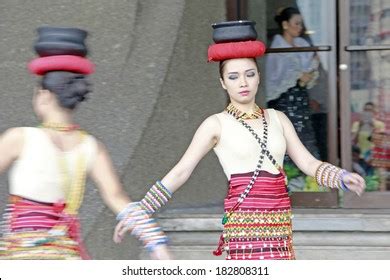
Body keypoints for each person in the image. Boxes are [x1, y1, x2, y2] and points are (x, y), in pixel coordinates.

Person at [114, 20, 366, 260]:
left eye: (250, 74)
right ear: (223, 82)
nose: (243, 82)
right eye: (233, 77)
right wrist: (142, 210)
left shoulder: (278, 118)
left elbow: (308, 164)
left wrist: (341, 177)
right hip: (243, 227)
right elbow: (181, 171)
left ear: (258, 76)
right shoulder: (216, 124)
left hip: (280, 223)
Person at [0, 26, 170, 260]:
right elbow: (118, 199)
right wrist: (156, 241)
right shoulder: (91, 147)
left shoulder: (20, 138)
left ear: (44, 95)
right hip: (65, 257)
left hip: (21, 256)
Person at [265, 7, 320, 161]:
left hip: (301, 101)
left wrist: (310, 70)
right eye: (296, 23)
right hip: (285, 103)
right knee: (289, 139)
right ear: (285, 25)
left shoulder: (302, 45)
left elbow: (307, 77)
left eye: (301, 24)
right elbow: (277, 78)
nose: (300, 27)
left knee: (305, 139)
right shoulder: (278, 48)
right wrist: (302, 75)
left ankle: (308, 179)